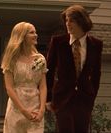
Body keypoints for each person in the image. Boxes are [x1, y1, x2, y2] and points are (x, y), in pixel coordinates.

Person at [46, 4, 103, 133]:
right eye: (66, 20)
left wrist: (92, 97)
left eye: (71, 20)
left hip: (84, 99)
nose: (68, 23)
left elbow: (96, 74)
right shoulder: (58, 42)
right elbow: (48, 71)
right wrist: (48, 98)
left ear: (81, 21)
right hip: (62, 99)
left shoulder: (96, 45)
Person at [0, 22, 48, 133]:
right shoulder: (11, 59)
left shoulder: (40, 59)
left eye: (35, 32)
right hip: (17, 107)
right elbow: (9, 88)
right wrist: (23, 110)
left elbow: (43, 86)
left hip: (35, 107)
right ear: (22, 36)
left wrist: (41, 110)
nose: (36, 35)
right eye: (32, 32)